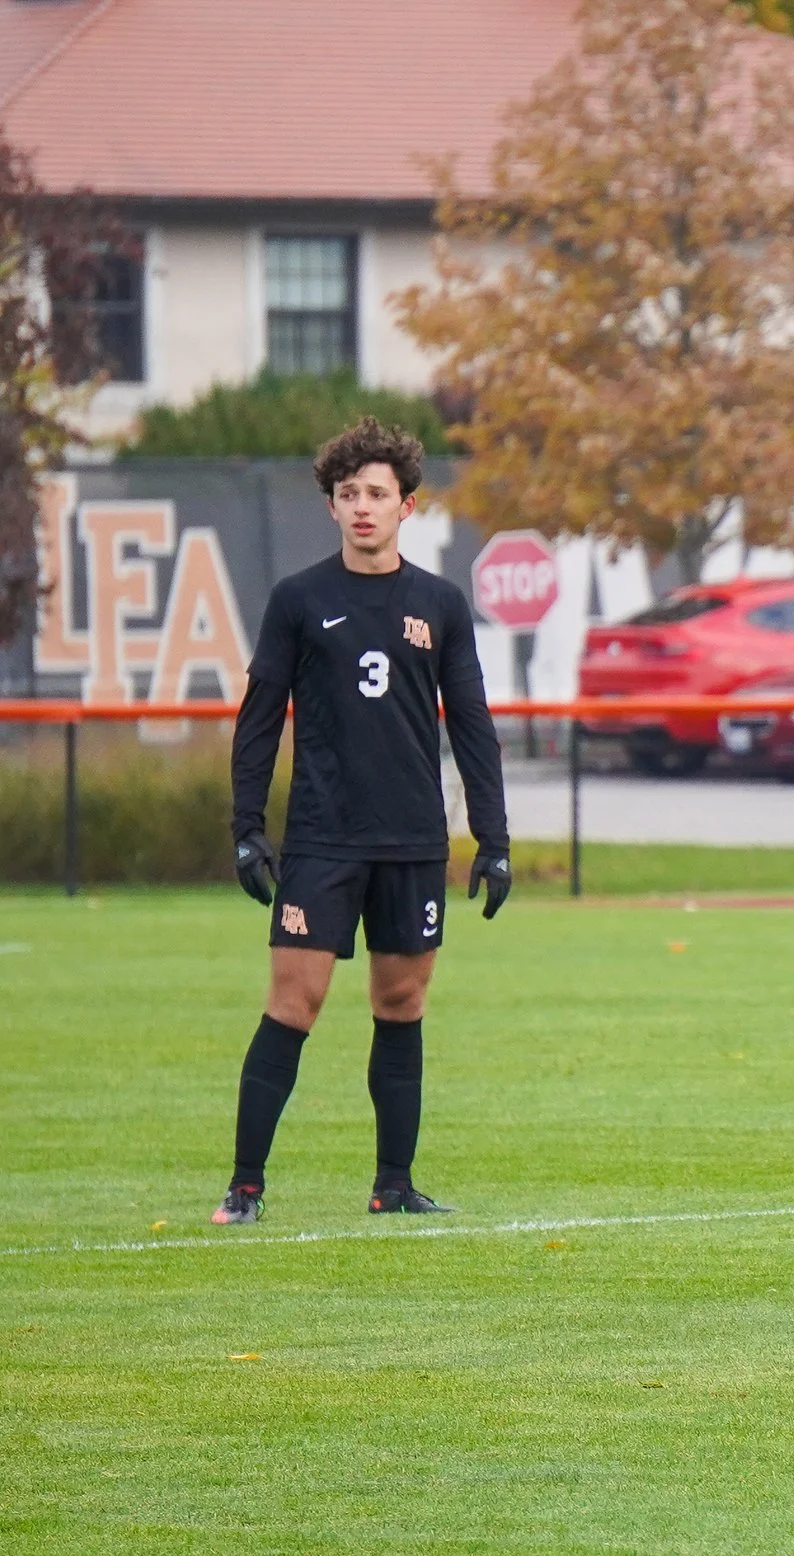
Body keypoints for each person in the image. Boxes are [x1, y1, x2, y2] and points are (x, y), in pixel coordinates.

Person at [213, 417, 512, 1226]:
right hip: (323, 838)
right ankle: (244, 1186)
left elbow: (472, 724)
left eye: (377, 493)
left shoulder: (440, 604)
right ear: (333, 507)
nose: (363, 507)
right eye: (349, 494)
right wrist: (247, 825)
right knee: (293, 1003)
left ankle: (394, 1184)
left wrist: (494, 839)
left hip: (412, 840)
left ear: (407, 504)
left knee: (402, 1003)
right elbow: (259, 718)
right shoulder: (299, 600)